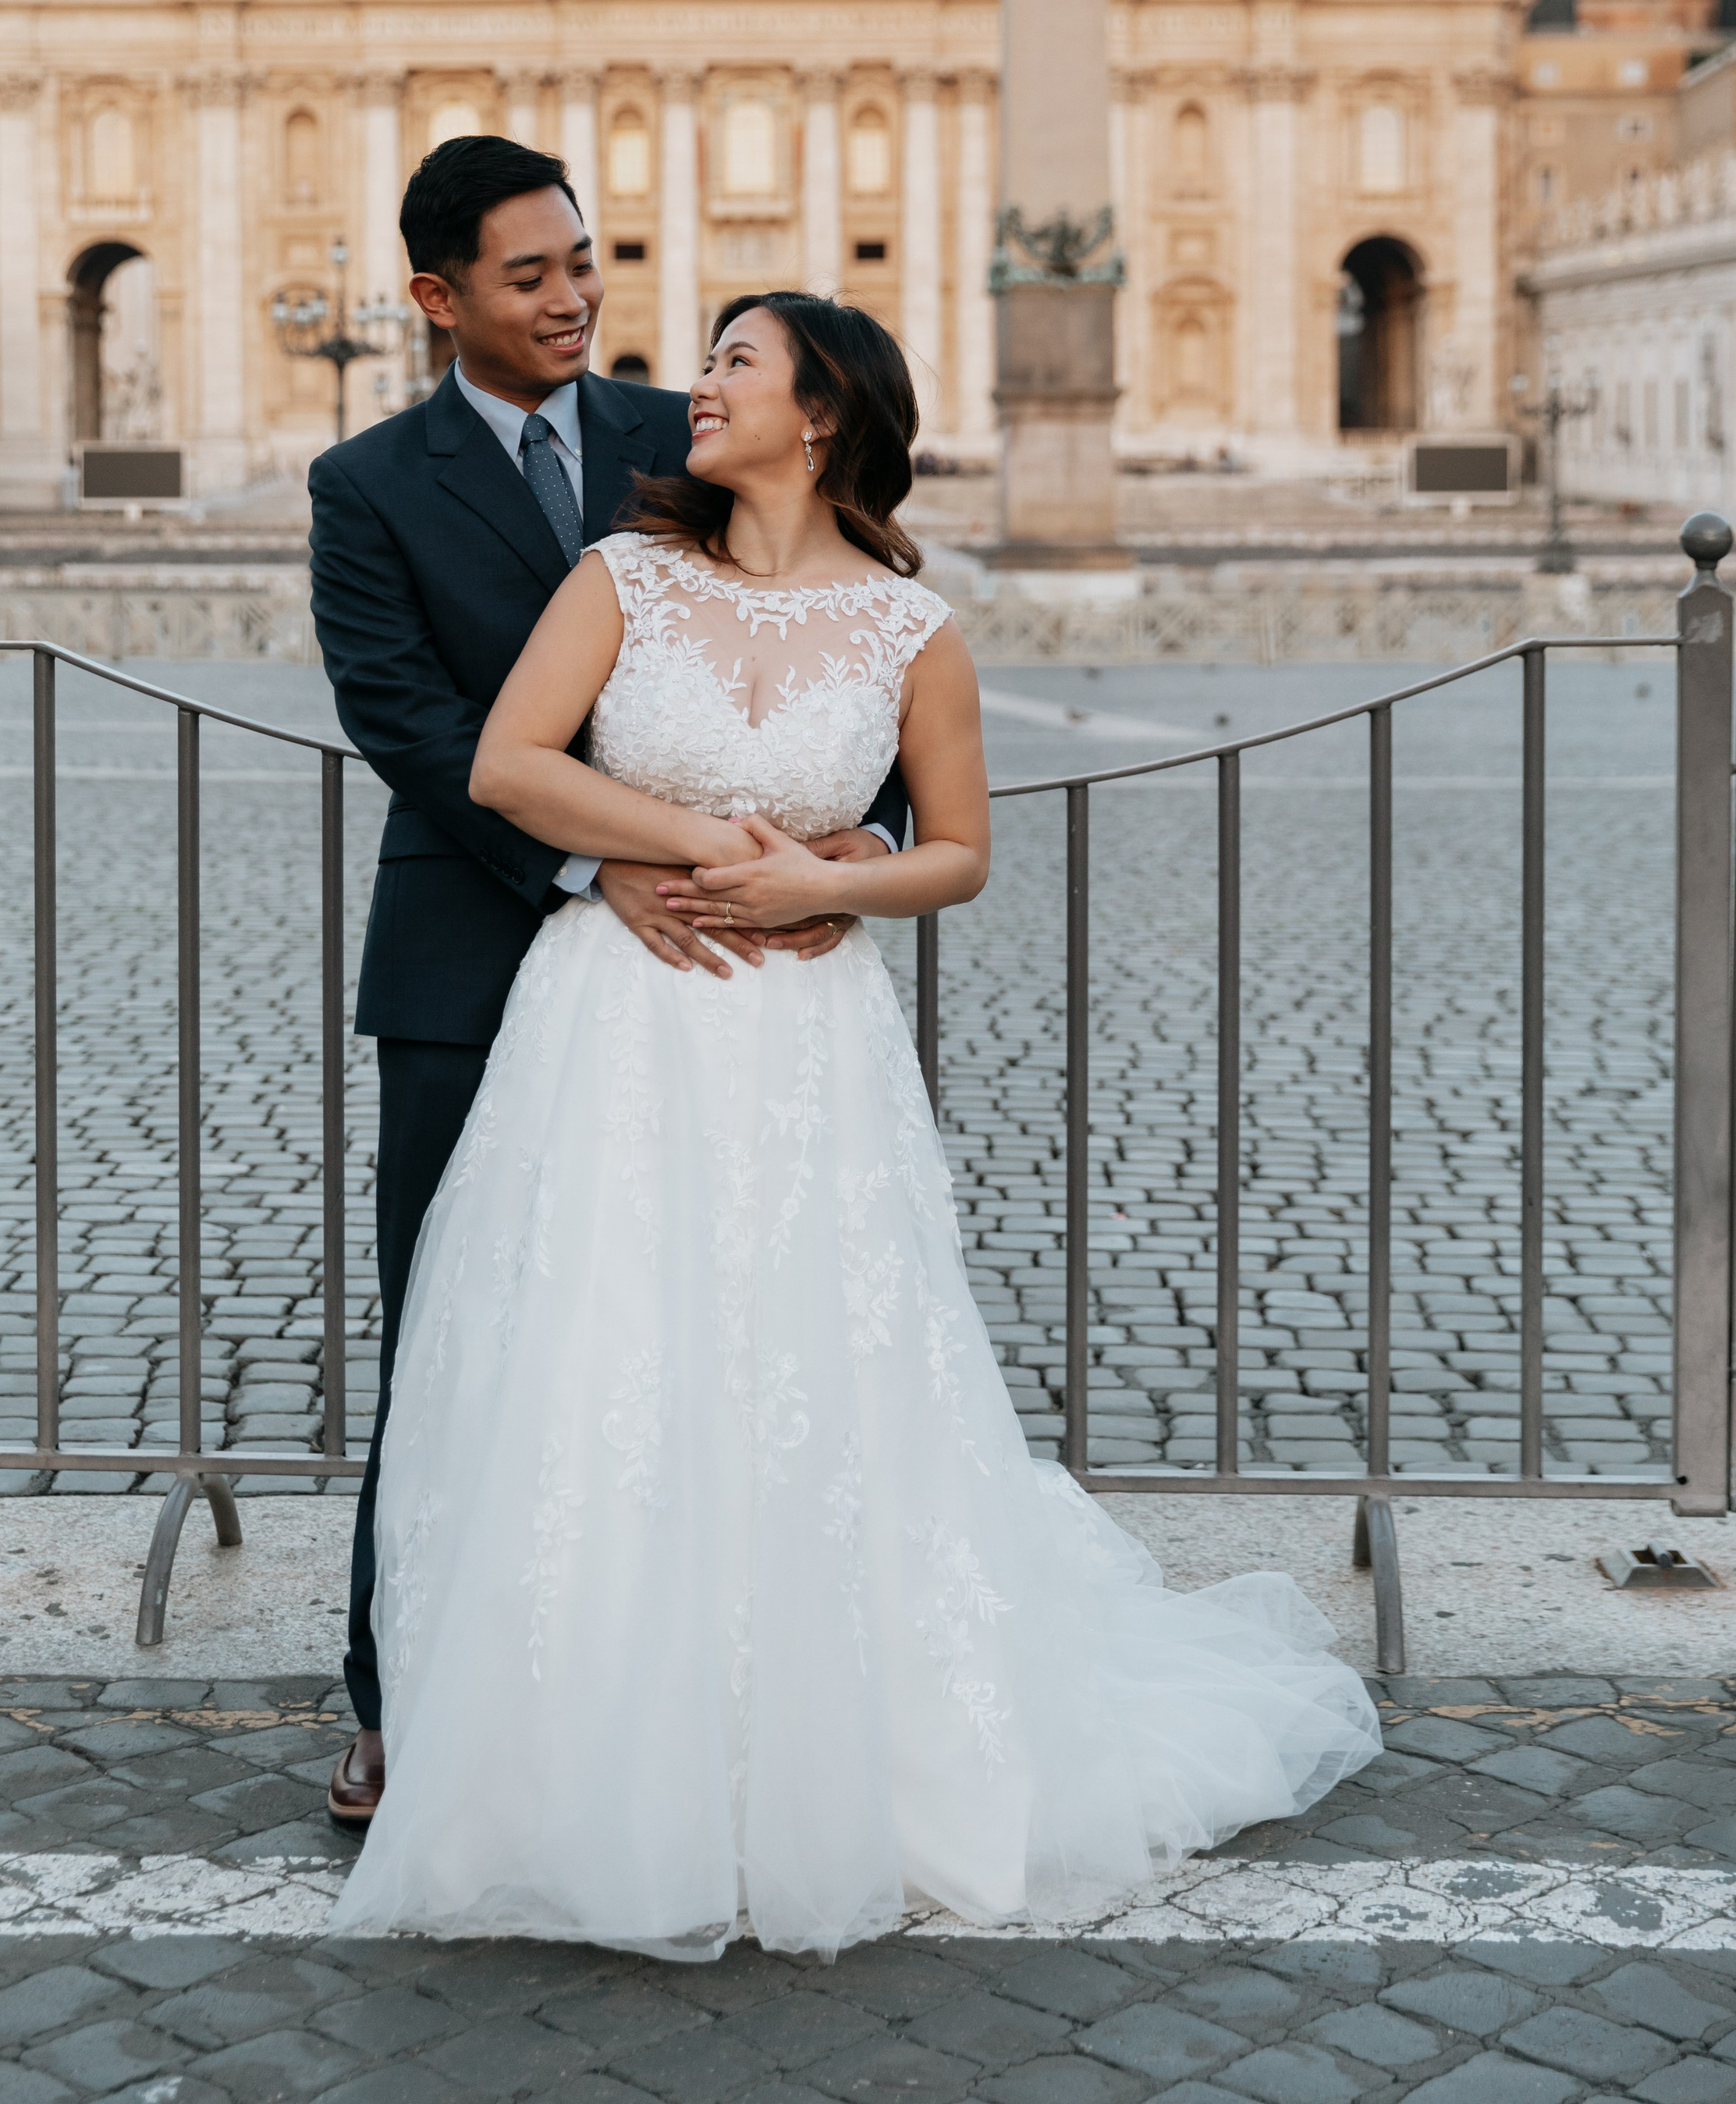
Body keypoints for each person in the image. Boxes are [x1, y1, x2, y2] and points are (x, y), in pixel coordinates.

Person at [332, 288, 1381, 1958]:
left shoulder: (909, 628)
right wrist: (706, 850)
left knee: (813, 1364)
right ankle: (581, 1751)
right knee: (608, 1359)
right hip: (617, 1022)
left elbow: (956, 850)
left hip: (803, 1043)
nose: (696, 383)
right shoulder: (622, 576)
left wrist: (834, 884)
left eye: (734, 362)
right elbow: (511, 766)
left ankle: (824, 1747)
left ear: (821, 414)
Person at [307, 140, 907, 1822]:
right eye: (529, 276)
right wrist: (594, 866)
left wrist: (863, 838)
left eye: (583, 261)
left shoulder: (692, 423)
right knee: (451, 1328)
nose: (573, 298)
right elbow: (410, 722)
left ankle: (684, 1685)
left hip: (716, 968)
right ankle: (397, 1693)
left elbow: (845, 627)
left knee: (704, 1330)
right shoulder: (364, 483)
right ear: (435, 298)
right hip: (474, 946)